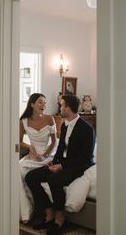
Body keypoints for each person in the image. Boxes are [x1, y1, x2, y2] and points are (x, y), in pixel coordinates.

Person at [25, 95, 96, 235]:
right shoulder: (64, 125)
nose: (60, 107)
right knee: (31, 177)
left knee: (54, 180)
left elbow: (85, 157)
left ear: (68, 108)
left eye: (62, 105)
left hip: (80, 165)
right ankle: (49, 212)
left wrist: (61, 167)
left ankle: (60, 218)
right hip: (63, 163)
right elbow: (60, 147)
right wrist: (55, 161)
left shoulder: (86, 128)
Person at [19, 93, 57, 224]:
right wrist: (29, 146)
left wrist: (45, 155)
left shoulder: (49, 119)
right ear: (32, 104)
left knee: (29, 175)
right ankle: (26, 211)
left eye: (45, 103)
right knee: (18, 170)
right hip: (33, 156)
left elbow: (53, 142)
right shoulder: (23, 121)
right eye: (40, 102)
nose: (44, 105)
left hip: (48, 155)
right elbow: (18, 142)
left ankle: (41, 210)